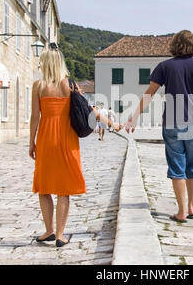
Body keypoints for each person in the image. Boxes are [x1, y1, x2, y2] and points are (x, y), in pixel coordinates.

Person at [29, 44, 121, 247]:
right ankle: (60, 235)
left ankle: (48, 231)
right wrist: (111, 123)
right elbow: (86, 110)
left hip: (45, 138)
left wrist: (31, 143)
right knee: (64, 189)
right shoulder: (68, 85)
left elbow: (35, 117)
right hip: (67, 139)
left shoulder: (38, 86)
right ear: (60, 63)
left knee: (44, 187)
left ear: (45, 64)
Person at [125, 30, 193, 223]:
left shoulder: (164, 67)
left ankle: (181, 210)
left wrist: (134, 117)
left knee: (177, 166)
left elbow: (149, 93)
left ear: (174, 45)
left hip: (173, 120)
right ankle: (191, 206)